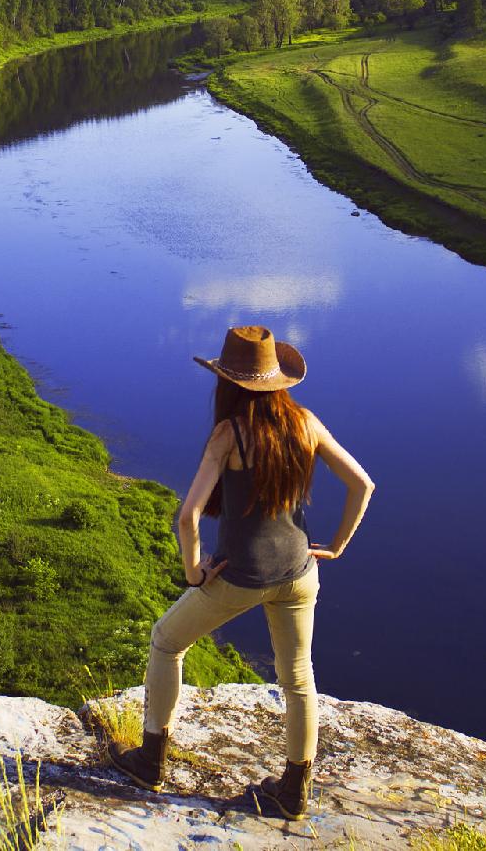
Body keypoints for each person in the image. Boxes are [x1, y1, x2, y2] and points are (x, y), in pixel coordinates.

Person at [110, 325, 375, 820]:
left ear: (228, 382)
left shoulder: (229, 435)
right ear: (277, 380)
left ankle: (151, 759)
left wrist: (194, 572)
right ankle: (293, 791)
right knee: (298, 677)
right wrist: (336, 546)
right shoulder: (306, 424)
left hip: (239, 576)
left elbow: (188, 517)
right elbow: (362, 484)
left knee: (166, 641)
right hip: (299, 573)